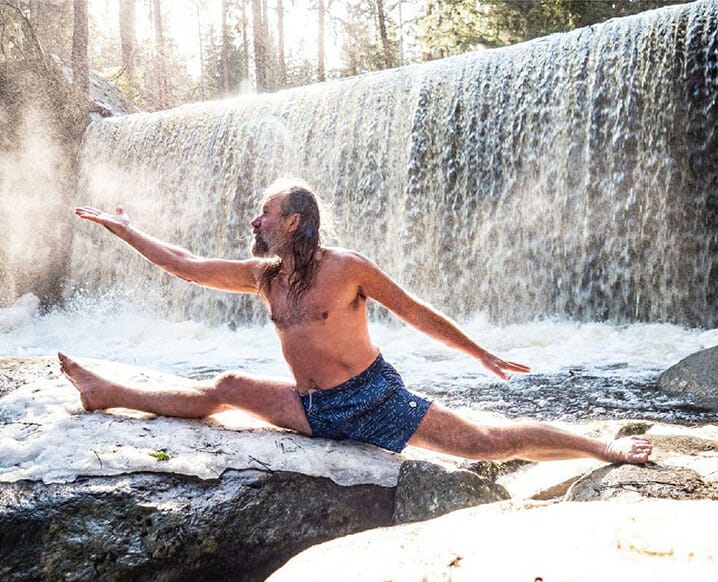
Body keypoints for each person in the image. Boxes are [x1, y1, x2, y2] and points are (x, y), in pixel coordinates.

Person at [59, 178, 652, 464]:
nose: (254, 221)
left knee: (484, 444)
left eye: (264, 214)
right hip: (311, 408)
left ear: (293, 221)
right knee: (226, 388)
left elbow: (417, 312)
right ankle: (105, 392)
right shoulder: (263, 275)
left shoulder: (348, 269)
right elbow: (186, 266)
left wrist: (481, 355)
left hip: (375, 400)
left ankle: (604, 448)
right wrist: (127, 229)